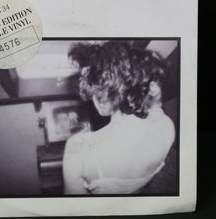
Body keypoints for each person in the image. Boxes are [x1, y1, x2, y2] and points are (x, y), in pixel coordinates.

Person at [63, 41, 175, 195]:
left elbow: (73, 206)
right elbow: (156, 106)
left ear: (103, 94)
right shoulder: (166, 129)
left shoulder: (77, 149)